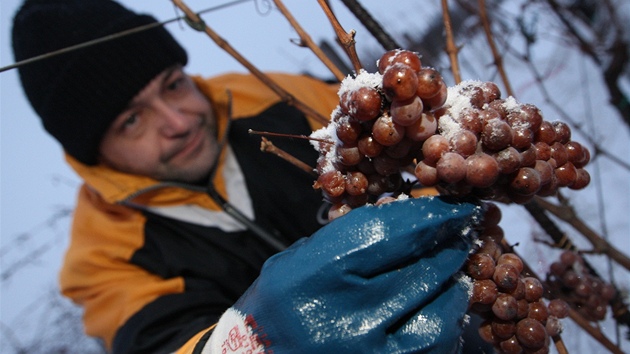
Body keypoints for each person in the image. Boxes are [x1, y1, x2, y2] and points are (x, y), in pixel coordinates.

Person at [11, 0, 487, 353]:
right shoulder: (103, 257)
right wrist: (255, 340)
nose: (178, 122)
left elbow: (404, 155)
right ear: (95, 152)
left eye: (173, 85)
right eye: (131, 120)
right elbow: (161, 342)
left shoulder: (270, 99)